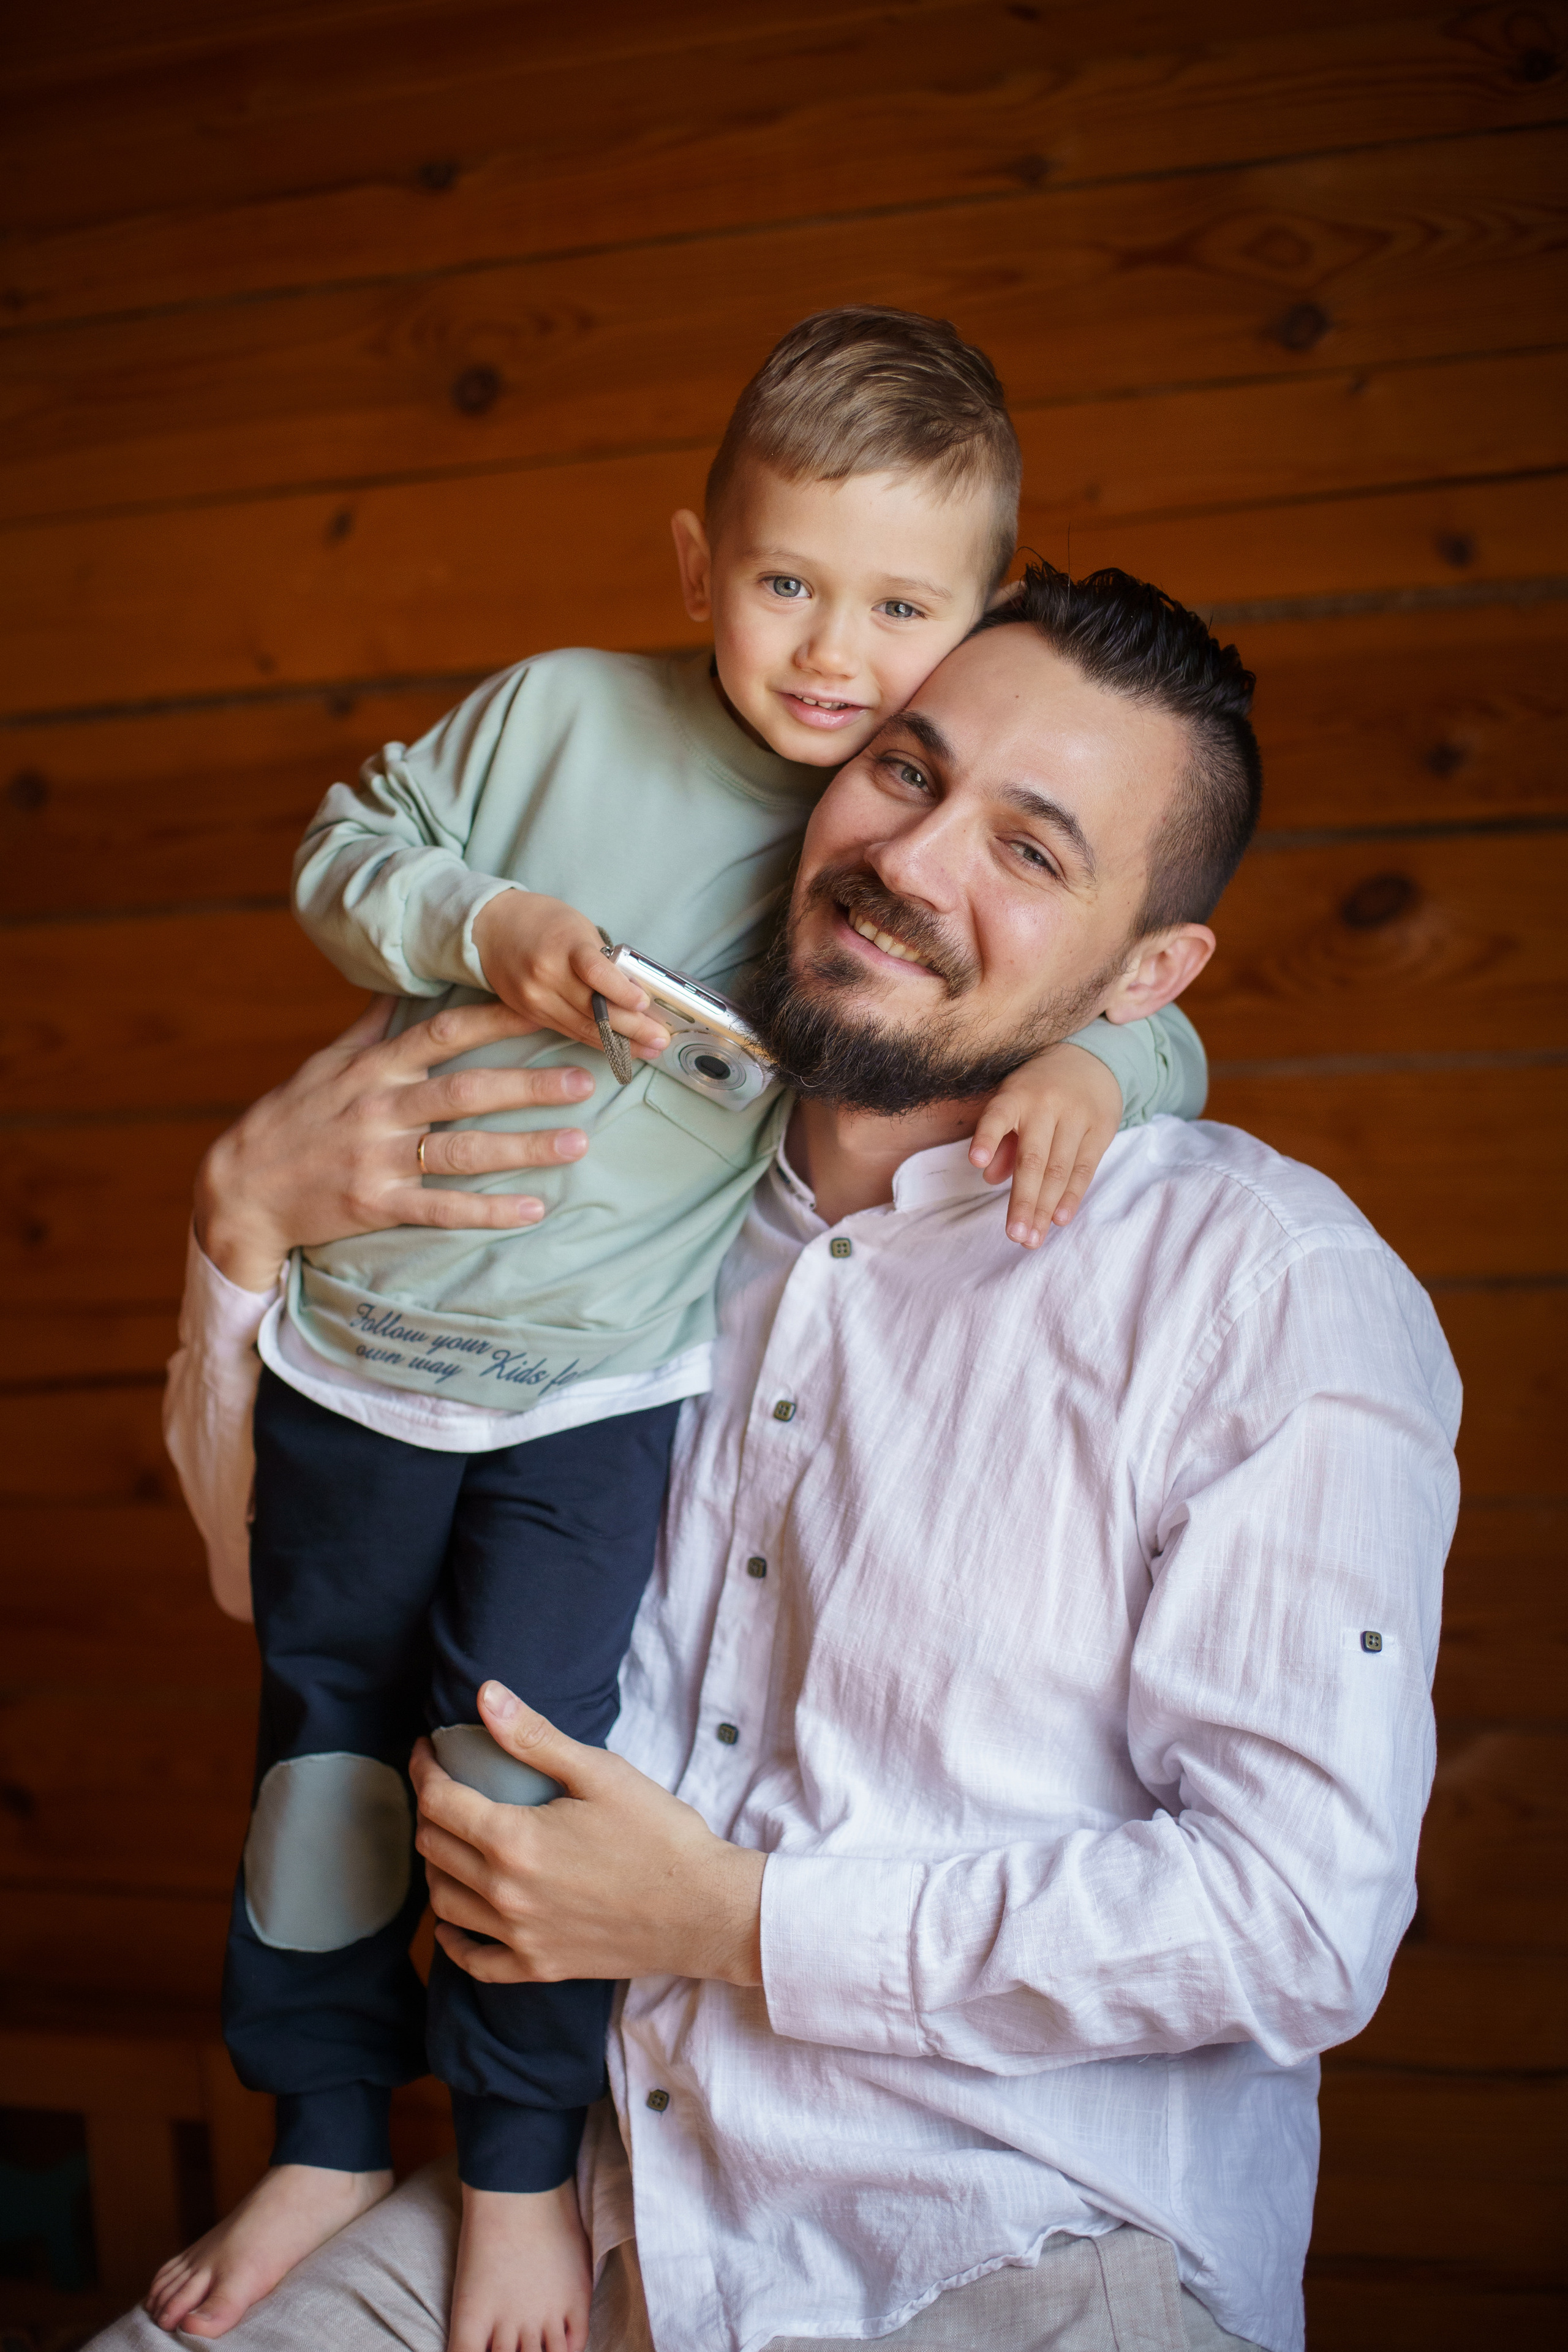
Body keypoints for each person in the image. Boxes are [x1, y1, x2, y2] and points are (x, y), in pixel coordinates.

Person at [99, 560, 1459, 2352]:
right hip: (576, 2208)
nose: (916, 861)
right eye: (906, 769)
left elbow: (1297, 1920)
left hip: (1031, 2250)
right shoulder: (614, 1193)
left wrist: (738, 1923)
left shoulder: (1260, 1286)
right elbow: (272, 1582)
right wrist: (241, 1235)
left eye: (1029, 849)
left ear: (1149, 973)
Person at [182, 314, 1207, 2347]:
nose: (834, 655)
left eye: (901, 608)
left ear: (981, 614)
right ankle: (320, 2124)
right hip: (359, 1341)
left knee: (522, 1768)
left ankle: (514, 2166)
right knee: (322, 1755)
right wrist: (486, 924)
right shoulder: (563, 717)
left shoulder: (885, 849)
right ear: (696, 564)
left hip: (595, 1394)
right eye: (785, 584)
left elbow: (1122, 995)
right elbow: (346, 848)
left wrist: (1108, 1074)